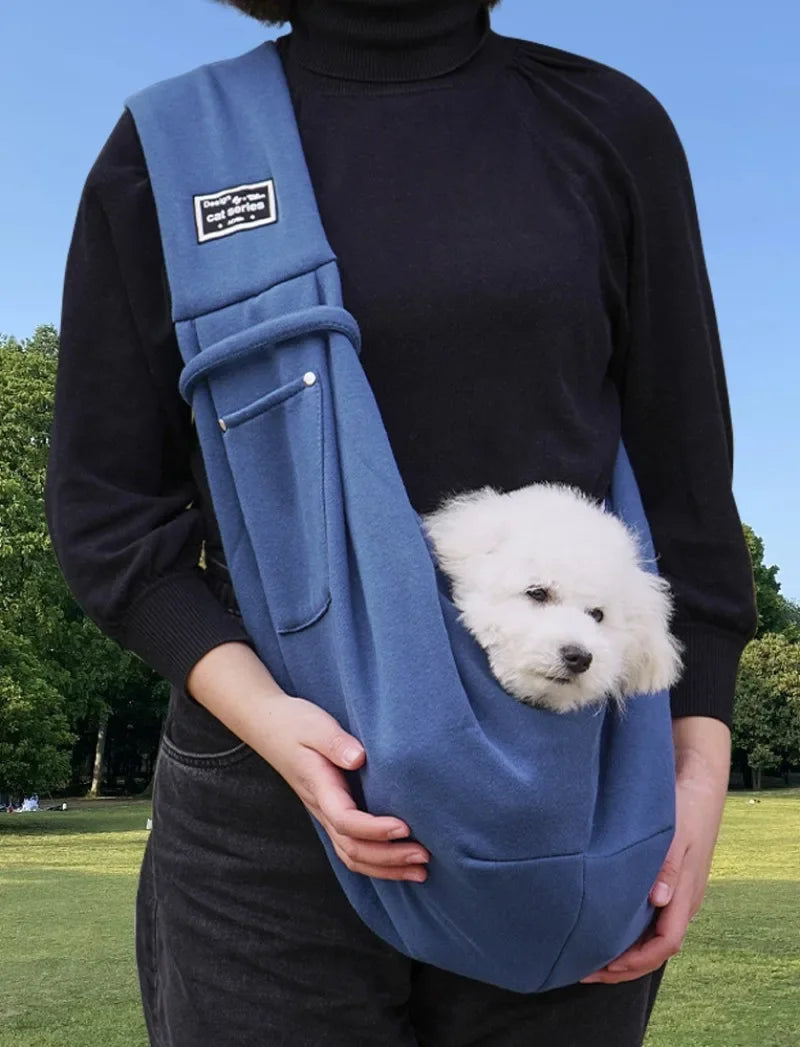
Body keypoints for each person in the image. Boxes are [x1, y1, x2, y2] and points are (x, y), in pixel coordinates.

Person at [45, 1, 758, 1044]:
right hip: (266, 797)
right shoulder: (175, 148)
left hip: (562, 789)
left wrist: (695, 780)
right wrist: (281, 734)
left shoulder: (605, 124)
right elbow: (108, 512)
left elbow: (687, 494)